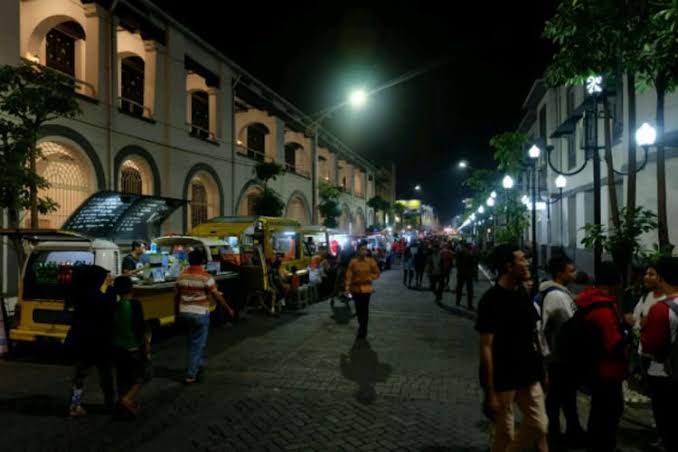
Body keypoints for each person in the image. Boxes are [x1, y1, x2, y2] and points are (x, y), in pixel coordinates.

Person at [476, 244, 547, 452]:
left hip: (528, 372)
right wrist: (489, 390)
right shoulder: (490, 301)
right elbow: (486, 347)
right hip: (503, 376)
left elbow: (534, 335)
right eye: (522, 260)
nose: (527, 264)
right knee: (504, 433)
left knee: (539, 424)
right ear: (509, 266)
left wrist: (542, 371)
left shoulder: (522, 294)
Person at [574, 262, 626, 452]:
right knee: (609, 413)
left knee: (598, 411)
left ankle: (596, 443)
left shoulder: (588, 301)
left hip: (593, 369)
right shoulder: (603, 309)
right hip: (607, 371)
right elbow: (613, 343)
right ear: (615, 283)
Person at [537, 254, 585, 446]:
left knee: (565, 397)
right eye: (570, 270)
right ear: (560, 273)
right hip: (559, 357)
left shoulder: (558, 292)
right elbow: (567, 326)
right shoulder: (557, 296)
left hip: (558, 356)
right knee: (557, 398)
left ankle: (570, 431)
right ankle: (555, 435)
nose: (574, 274)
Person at [175, 250, 234, 384]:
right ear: (202, 261)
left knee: (192, 341)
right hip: (199, 313)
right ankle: (191, 374)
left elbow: (176, 297)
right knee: (198, 344)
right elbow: (217, 295)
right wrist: (228, 308)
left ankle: (198, 364)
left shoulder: (181, 276)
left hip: (184, 312)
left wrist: (176, 313)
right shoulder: (206, 277)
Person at [64, 265, 116, 417]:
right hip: (100, 340)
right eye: (105, 276)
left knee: (81, 373)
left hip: (83, 339)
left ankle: (75, 404)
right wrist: (108, 287)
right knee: (105, 373)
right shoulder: (101, 294)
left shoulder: (80, 292)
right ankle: (110, 404)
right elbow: (106, 304)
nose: (108, 277)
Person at [641, 256, 678, 452]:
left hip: (664, 372)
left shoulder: (660, 310)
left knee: (666, 417)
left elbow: (649, 346)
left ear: (661, 279)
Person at [111, 275, 150, 417]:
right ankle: (127, 400)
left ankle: (123, 407)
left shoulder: (113, 306)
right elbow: (140, 327)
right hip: (132, 346)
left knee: (122, 377)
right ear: (131, 288)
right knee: (142, 375)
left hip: (116, 347)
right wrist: (146, 345)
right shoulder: (135, 304)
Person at [345, 241, 380, 340]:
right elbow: (349, 276)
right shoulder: (353, 262)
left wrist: (370, 277)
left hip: (366, 289)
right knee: (358, 309)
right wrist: (347, 287)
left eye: (365, 249)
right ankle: (361, 325)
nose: (364, 251)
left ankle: (363, 329)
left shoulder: (370, 261)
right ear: (358, 250)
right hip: (355, 289)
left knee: (364, 309)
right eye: (362, 249)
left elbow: (377, 273)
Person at [456, 242, 475, 309]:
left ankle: (458, 302)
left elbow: (457, 263)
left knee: (460, 288)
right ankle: (469, 305)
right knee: (469, 290)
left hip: (461, 273)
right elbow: (472, 265)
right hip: (467, 274)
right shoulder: (470, 254)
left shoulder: (460, 253)